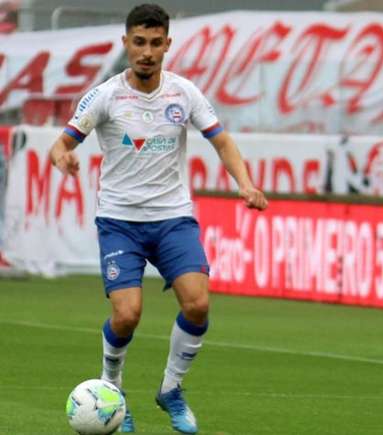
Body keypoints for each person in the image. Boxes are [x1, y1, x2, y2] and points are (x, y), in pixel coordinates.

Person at [47, 4, 268, 434]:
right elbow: (60, 144)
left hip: (172, 218)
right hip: (120, 221)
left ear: (167, 44)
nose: (146, 52)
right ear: (125, 43)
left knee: (199, 303)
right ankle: (113, 393)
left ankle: (170, 390)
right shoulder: (105, 95)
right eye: (139, 42)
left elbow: (222, 142)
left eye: (155, 43)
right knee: (127, 315)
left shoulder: (184, 93)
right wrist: (65, 158)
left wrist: (245, 183)